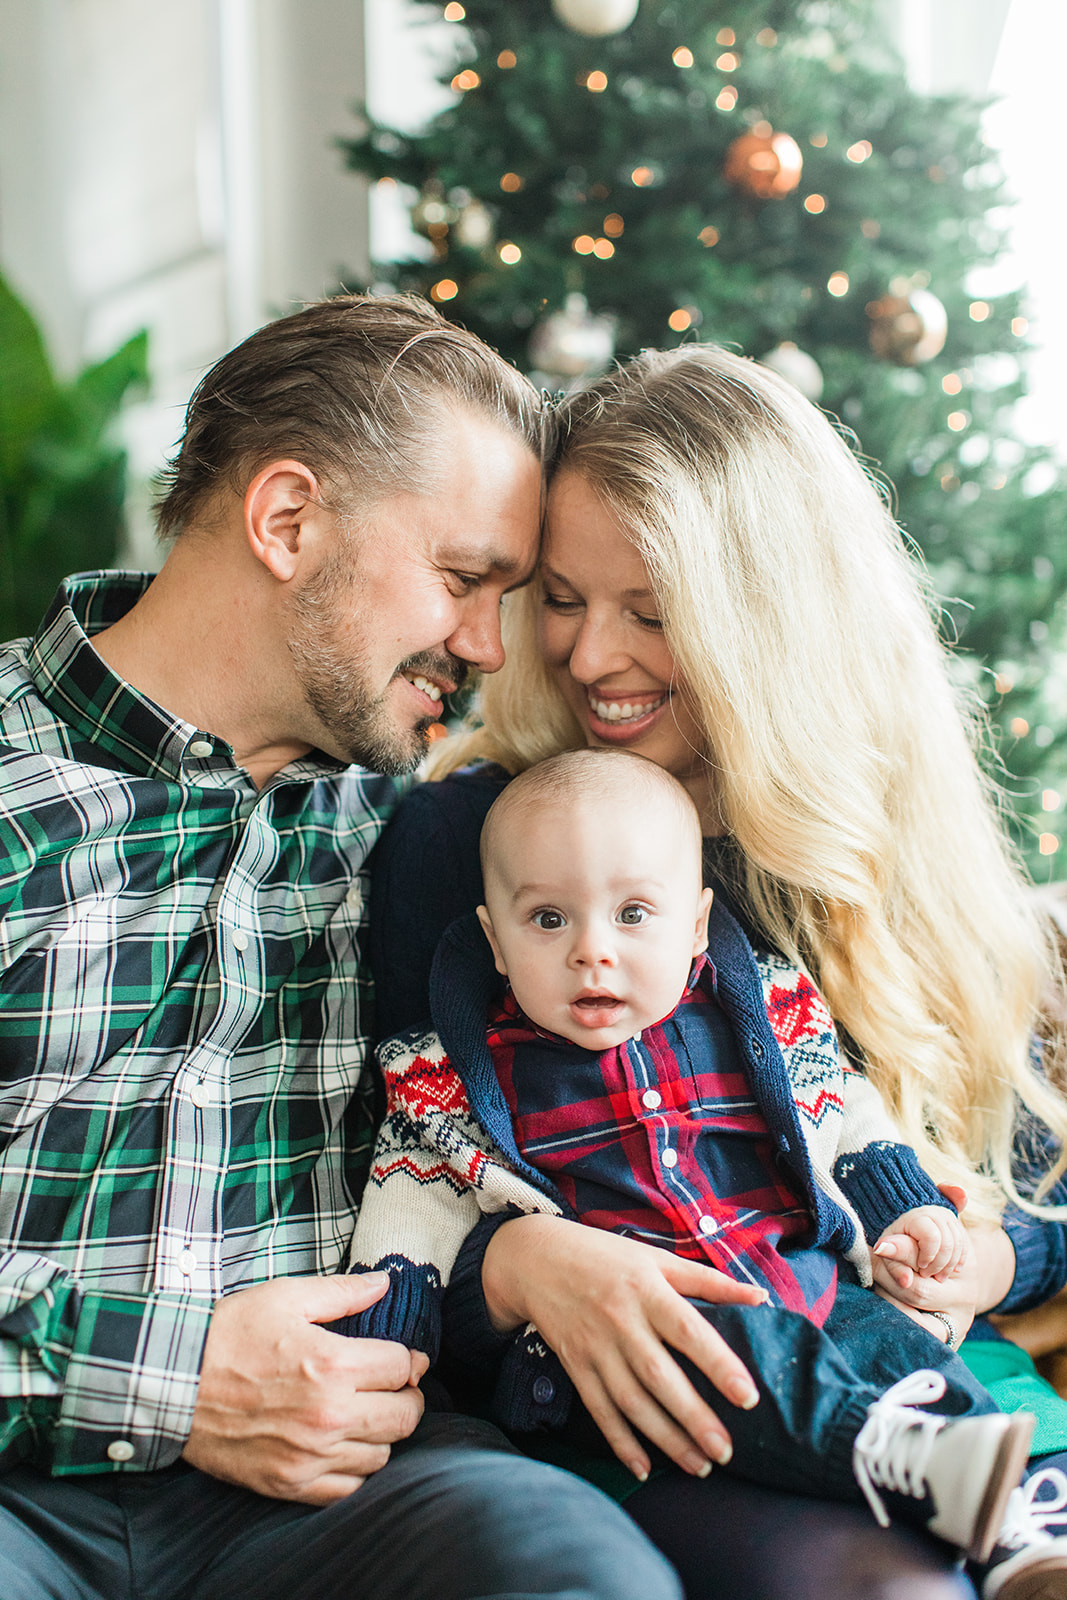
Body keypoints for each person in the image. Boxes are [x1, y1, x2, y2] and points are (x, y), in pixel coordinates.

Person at [0, 294, 686, 1600]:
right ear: (288, 521)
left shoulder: (443, 838)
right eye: (462, 577)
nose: (488, 647)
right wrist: (166, 1381)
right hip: (21, 1494)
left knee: (572, 1571)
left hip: (351, 1500)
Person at [367, 343, 1067, 1599]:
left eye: (649, 608)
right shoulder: (475, 845)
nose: (587, 657)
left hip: (883, 1346)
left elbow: (1033, 1179)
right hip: (640, 1407)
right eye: (565, 598)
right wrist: (512, 1274)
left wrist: (984, 1255)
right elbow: (393, 1187)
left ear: (767, 619)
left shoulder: (865, 850)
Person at [348, 745, 1067, 1597]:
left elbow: (845, 1117)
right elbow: (407, 1211)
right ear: (493, 942)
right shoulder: (450, 1080)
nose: (592, 953)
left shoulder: (758, 1010)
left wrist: (902, 1211)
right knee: (715, 1353)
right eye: (548, 920)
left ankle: (1011, 1523)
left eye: (633, 914)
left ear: (694, 928)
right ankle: (895, 1456)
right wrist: (382, 1344)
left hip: (807, 1287)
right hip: (620, 1341)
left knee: (898, 1346)